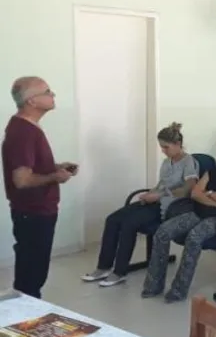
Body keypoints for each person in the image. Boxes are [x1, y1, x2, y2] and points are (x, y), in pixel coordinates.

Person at [81, 123, 199, 287]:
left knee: (130, 223)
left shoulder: (189, 162)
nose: (163, 151)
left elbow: (189, 188)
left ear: (178, 145)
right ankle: (104, 267)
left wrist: (159, 195)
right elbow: (161, 184)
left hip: (170, 207)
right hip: (156, 200)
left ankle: (119, 272)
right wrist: (150, 193)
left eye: (166, 147)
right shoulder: (167, 162)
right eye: (161, 147)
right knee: (112, 219)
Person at [142, 135, 216, 303]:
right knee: (162, 232)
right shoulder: (213, 171)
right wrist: (215, 199)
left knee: (194, 238)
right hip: (199, 212)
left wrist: (210, 194)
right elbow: (195, 193)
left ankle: (178, 290)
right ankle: (153, 286)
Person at [2, 77, 77, 298]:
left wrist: (55, 167)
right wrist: (55, 176)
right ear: (32, 101)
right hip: (33, 212)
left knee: (33, 271)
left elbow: (31, 168)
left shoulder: (26, 128)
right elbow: (22, 180)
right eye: (47, 91)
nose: (52, 94)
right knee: (31, 277)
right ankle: (25, 322)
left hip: (36, 211)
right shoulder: (24, 132)